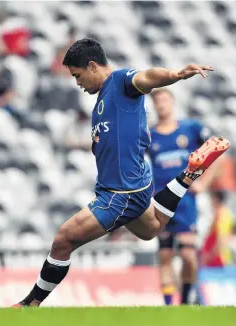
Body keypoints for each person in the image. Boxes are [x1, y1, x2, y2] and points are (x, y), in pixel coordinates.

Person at [13, 38, 229, 307]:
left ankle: (29, 304)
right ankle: (189, 174)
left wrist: (175, 75)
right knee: (151, 228)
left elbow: (147, 76)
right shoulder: (101, 102)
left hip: (121, 193)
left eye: (78, 76)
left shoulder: (120, 81)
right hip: (127, 188)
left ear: (93, 66)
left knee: (63, 239)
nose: (77, 83)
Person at [148, 88, 219, 305]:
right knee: (165, 255)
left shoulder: (191, 129)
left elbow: (216, 150)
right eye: (157, 101)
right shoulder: (150, 135)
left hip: (186, 202)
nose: (161, 104)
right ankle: (169, 305)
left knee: (188, 256)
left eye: (164, 100)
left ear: (172, 102)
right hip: (161, 201)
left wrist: (204, 183)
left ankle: (186, 300)